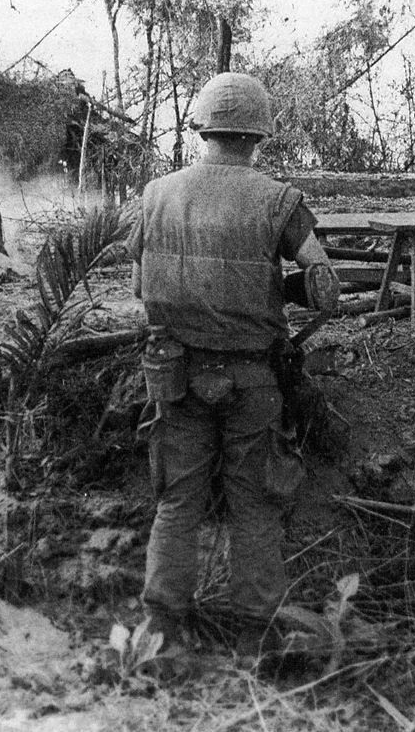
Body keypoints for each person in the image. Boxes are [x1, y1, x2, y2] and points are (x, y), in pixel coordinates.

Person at [124, 72, 339, 656]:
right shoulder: (279, 200)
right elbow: (325, 290)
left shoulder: (155, 194)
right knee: (255, 506)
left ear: (201, 127)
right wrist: (277, 288)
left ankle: (161, 631)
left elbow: (140, 283)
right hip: (252, 379)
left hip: (173, 376)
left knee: (177, 503)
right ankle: (253, 639)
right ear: (258, 134)